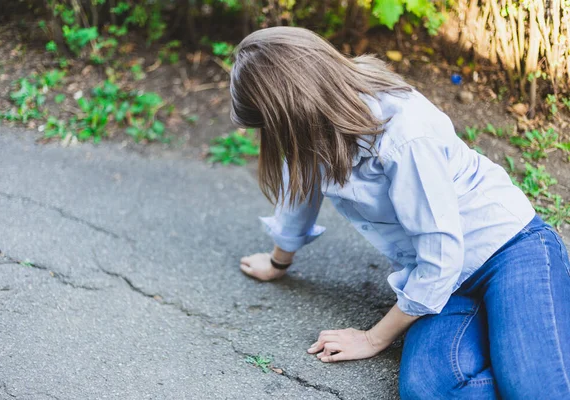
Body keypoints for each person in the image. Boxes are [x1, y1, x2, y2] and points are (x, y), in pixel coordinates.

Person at [230, 26, 570, 399]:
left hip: (510, 250)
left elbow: (440, 255)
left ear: (292, 113)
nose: (268, 139)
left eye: (268, 128)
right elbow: (301, 190)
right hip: (447, 281)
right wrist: (279, 262)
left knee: (536, 390)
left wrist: (373, 338)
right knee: (431, 391)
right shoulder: (317, 129)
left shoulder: (403, 133)